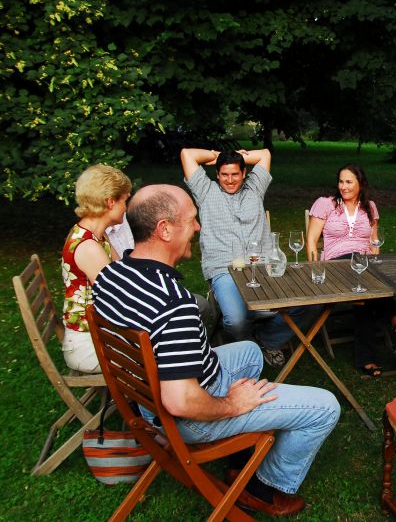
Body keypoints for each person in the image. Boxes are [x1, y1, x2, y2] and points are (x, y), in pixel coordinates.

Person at [92, 184, 340, 517]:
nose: (198, 228)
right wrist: (231, 404)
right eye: (192, 220)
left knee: (250, 352)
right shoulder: (172, 302)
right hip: (184, 417)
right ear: (164, 229)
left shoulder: (112, 273)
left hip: (144, 399)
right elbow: (180, 400)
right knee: (325, 407)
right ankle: (264, 490)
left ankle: (240, 460)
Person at [181, 147, 307, 367]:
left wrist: (238, 157)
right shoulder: (205, 191)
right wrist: (218, 156)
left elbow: (266, 154)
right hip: (225, 270)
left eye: (235, 174)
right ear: (217, 174)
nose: (230, 180)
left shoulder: (255, 188)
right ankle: (249, 345)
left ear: (244, 173)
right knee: (236, 320)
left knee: (309, 301)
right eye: (224, 174)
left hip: (264, 267)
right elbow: (187, 154)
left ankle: (269, 339)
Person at [307, 164, 396, 377]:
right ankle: (393, 312)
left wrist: (377, 263)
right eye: (341, 181)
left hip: (365, 266)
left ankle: (367, 359)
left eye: (349, 182)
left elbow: (374, 241)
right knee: (361, 272)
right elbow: (312, 241)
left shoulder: (369, 207)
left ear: (361, 184)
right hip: (336, 265)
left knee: (364, 298)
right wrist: (315, 269)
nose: (343, 186)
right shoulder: (326, 204)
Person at [61, 164, 131, 373]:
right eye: (124, 200)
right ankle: (149, 404)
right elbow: (118, 298)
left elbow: (123, 272)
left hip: (100, 331)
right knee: (161, 349)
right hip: (87, 345)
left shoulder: (97, 234)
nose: (126, 207)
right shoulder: (88, 247)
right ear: (110, 202)